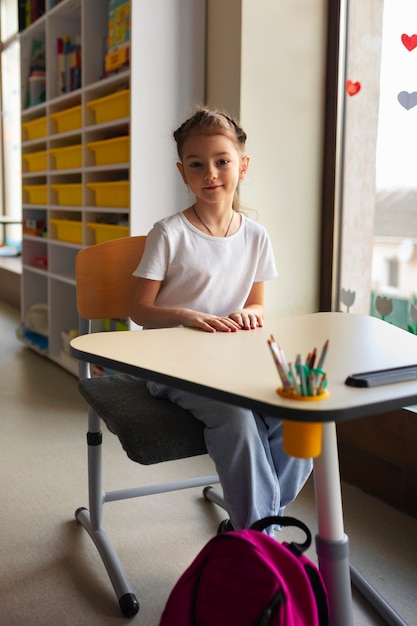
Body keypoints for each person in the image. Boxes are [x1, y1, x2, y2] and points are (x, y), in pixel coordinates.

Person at [131, 106, 312, 535]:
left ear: (242, 166)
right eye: (197, 164)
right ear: (182, 172)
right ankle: (260, 539)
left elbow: (258, 306)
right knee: (236, 419)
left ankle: (251, 526)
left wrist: (249, 313)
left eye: (222, 161)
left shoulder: (256, 235)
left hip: (233, 366)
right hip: (172, 365)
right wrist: (187, 316)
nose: (210, 173)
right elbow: (138, 312)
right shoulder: (168, 233)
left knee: (298, 412)